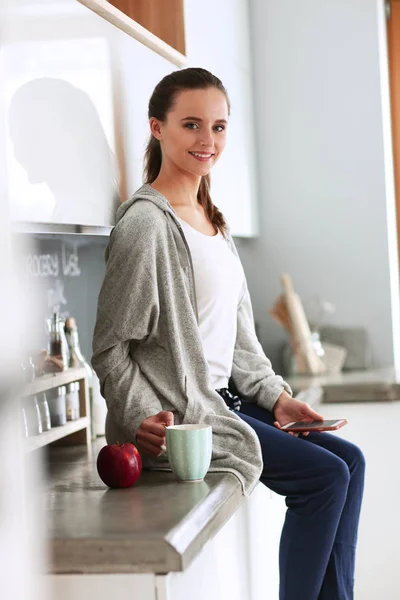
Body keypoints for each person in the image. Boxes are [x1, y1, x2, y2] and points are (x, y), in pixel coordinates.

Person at [92, 67, 365, 600]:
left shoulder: (212, 220)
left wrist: (278, 398)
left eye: (218, 127)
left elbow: (239, 342)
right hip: (191, 413)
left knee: (350, 461)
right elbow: (110, 346)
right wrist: (141, 414)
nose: (207, 140)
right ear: (157, 127)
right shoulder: (146, 226)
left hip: (229, 400)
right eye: (191, 124)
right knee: (324, 479)